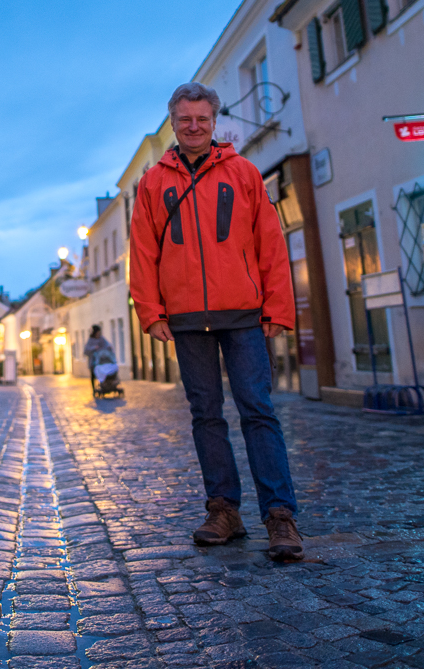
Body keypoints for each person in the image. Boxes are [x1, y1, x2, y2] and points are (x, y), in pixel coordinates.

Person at [128, 82, 303, 560]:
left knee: (258, 411)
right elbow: (142, 252)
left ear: (214, 122)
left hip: (243, 314)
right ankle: (223, 511)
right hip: (185, 318)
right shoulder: (152, 183)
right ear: (173, 122)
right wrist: (150, 311)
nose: (194, 126)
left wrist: (278, 308)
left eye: (202, 119)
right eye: (185, 119)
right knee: (206, 416)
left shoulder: (244, 173)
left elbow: (271, 243)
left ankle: (280, 517)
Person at [83, 324, 120, 393]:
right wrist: (94, 348)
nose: (98, 334)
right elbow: (86, 351)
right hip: (93, 362)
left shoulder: (102, 339)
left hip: (103, 360)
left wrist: (109, 348)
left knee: (107, 372)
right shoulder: (90, 340)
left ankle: (108, 385)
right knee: (93, 375)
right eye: (97, 332)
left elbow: (108, 345)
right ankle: (94, 389)